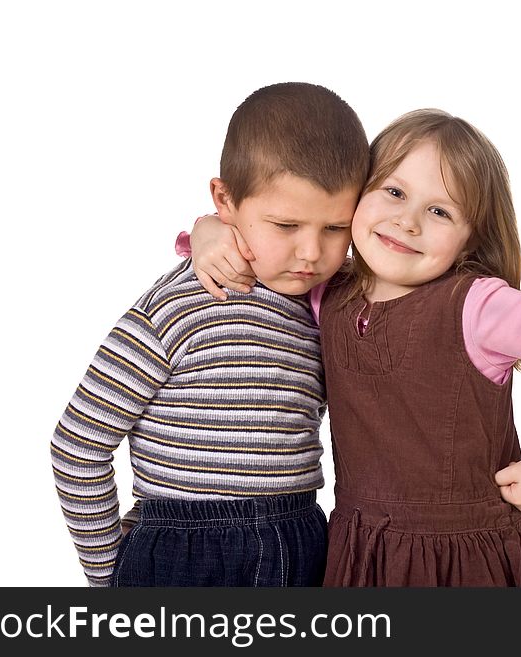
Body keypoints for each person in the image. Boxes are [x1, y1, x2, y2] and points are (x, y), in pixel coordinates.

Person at [181, 108, 521, 586]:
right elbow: (266, 236)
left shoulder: (479, 305)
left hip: (473, 559)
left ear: (469, 240)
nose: (407, 222)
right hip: (365, 555)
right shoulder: (327, 291)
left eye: (440, 211)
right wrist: (208, 230)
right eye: (394, 192)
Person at [50, 82, 369, 586]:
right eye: (286, 225)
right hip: (183, 550)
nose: (311, 253)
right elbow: (79, 444)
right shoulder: (176, 307)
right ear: (224, 198)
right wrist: (106, 573)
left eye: (335, 229)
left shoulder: (330, 302)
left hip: (302, 540)